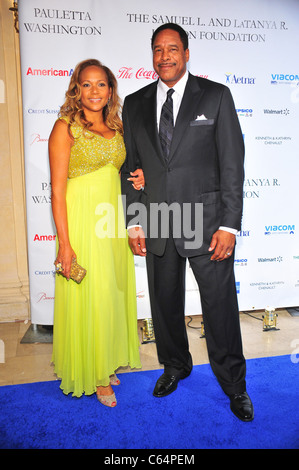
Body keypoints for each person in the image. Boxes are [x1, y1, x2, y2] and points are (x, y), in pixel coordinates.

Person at [121, 23, 254, 421]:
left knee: (220, 308)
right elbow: (132, 166)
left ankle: (235, 385)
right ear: (152, 55)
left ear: (186, 53)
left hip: (207, 223)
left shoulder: (215, 97)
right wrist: (133, 220)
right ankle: (174, 365)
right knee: (164, 305)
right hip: (158, 219)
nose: (165, 56)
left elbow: (232, 164)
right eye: (158, 49)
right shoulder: (135, 102)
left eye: (173, 48)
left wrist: (230, 225)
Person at [49, 59, 143, 407]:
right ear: (77, 88)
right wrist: (65, 244)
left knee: (110, 293)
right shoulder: (65, 128)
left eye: (101, 84)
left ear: (110, 90)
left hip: (112, 221)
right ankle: (95, 375)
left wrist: (139, 176)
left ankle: (105, 358)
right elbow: (58, 191)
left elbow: (120, 172)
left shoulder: (118, 126)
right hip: (82, 221)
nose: (94, 91)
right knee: (93, 294)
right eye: (86, 84)